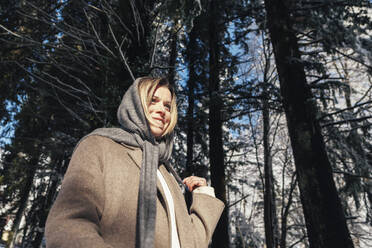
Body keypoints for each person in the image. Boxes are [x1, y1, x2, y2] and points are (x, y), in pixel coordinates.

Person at [45, 77, 224, 248]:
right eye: (153, 101)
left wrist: (204, 195)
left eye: (167, 106)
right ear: (136, 104)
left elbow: (190, 243)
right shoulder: (100, 145)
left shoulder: (167, 174)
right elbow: (68, 224)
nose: (162, 110)